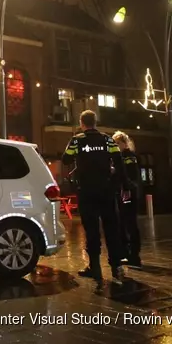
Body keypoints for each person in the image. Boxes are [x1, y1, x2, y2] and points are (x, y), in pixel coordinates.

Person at [62, 111, 128, 283]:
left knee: (91, 230)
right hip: (106, 190)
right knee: (111, 228)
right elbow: (119, 160)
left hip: (86, 191)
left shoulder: (77, 140)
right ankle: (116, 267)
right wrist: (119, 183)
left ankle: (95, 268)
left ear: (82, 123)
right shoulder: (107, 140)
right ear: (96, 122)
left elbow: (65, 159)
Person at [113, 131, 142, 268]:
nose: (116, 146)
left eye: (118, 143)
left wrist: (128, 189)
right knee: (121, 224)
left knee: (130, 224)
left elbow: (130, 175)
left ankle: (134, 256)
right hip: (121, 192)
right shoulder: (118, 157)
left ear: (124, 144)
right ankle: (124, 253)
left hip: (128, 193)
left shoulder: (129, 156)